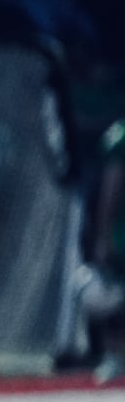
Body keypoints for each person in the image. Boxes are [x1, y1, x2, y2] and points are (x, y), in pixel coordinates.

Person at [86, 114, 125, 383]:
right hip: (121, 230)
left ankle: (115, 355)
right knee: (114, 295)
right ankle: (114, 355)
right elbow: (112, 188)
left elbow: (111, 188)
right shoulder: (119, 136)